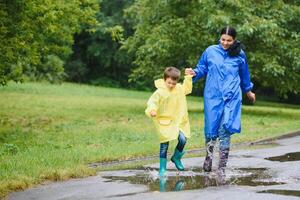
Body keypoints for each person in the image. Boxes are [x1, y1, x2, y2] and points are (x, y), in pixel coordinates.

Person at [185, 26, 256, 174]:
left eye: (229, 40)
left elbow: (245, 75)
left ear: (234, 40)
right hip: (213, 96)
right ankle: (209, 158)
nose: (225, 43)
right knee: (211, 130)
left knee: (225, 128)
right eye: (223, 39)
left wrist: (248, 91)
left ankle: (222, 167)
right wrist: (194, 73)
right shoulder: (210, 51)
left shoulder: (240, 55)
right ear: (220, 38)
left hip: (232, 97)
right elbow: (202, 68)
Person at [145, 67, 193, 177]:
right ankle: (162, 168)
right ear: (165, 79)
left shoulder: (179, 89)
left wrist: (188, 77)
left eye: (174, 83)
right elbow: (153, 102)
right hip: (165, 122)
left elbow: (187, 88)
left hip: (178, 121)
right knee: (164, 144)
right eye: (169, 83)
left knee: (183, 139)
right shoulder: (160, 91)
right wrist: (152, 110)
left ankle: (176, 157)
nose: (171, 85)